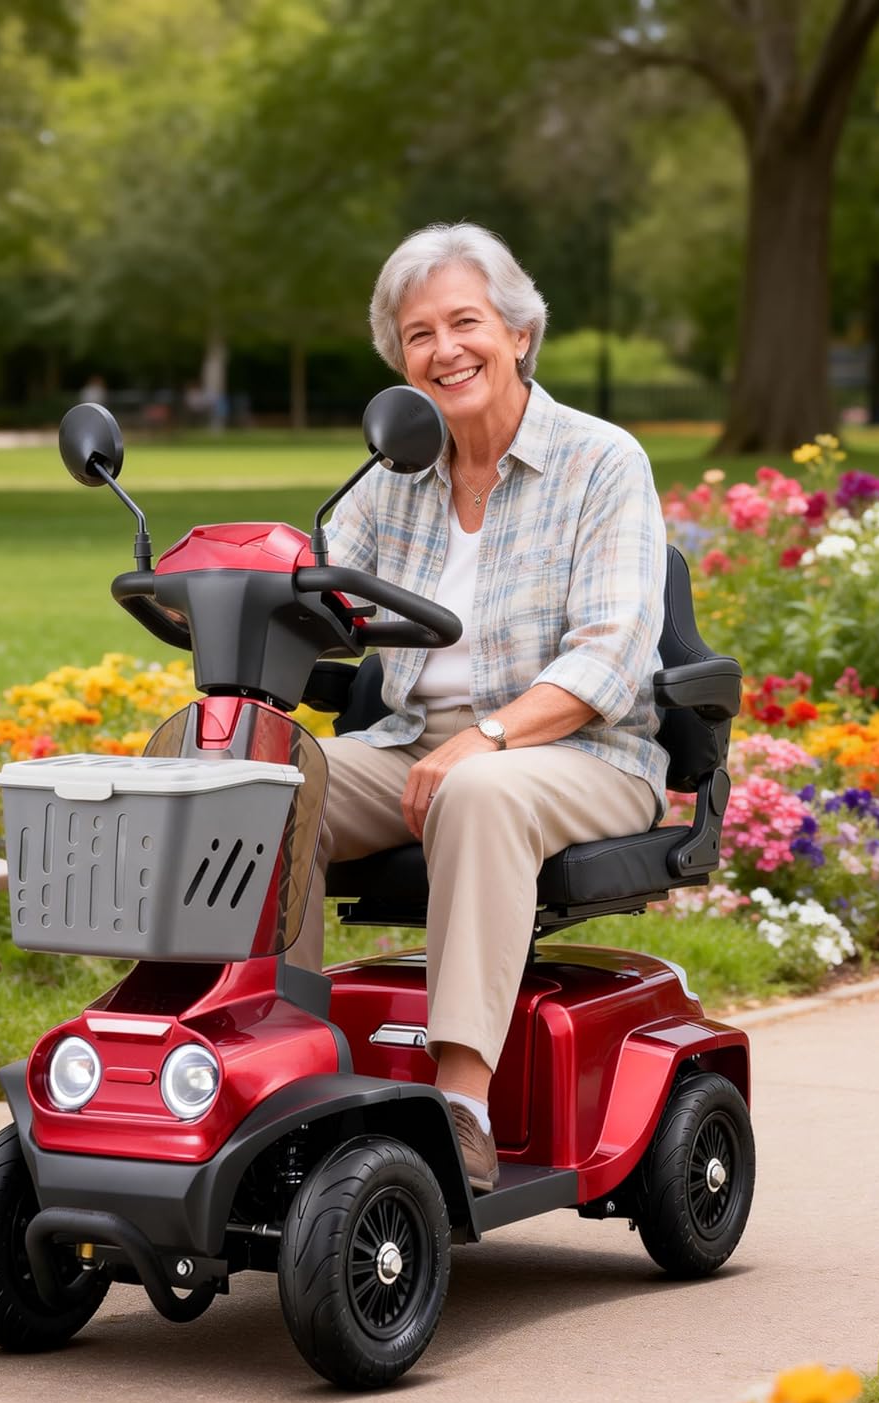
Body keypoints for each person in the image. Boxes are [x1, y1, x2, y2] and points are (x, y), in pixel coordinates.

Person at [287, 223, 667, 1191]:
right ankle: (274, 1061)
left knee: (482, 793)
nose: (445, 349)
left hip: (586, 751)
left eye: (467, 322)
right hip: (419, 742)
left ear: (519, 332)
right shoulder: (389, 476)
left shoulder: (601, 462)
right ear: (399, 359)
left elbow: (612, 659)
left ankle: (460, 1106)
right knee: (262, 779)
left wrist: (488, 741)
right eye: (420, 334)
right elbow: (330, 603)